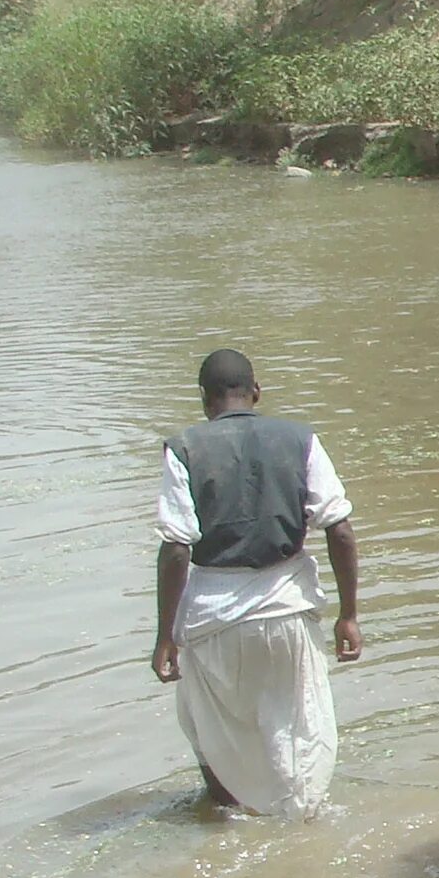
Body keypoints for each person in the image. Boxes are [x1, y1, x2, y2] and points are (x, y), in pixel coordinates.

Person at [151, 349, 363, 815]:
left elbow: (176, 548)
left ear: (205, 399)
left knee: (211, 728)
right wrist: (348, 615)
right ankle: (302, 822)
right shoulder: (301, 440)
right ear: (257, 392)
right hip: (287, 609)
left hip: (213, 621)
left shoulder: (184, 449)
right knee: (297, 728)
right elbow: (340, 529)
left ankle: (230, 816)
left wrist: (165, 637)